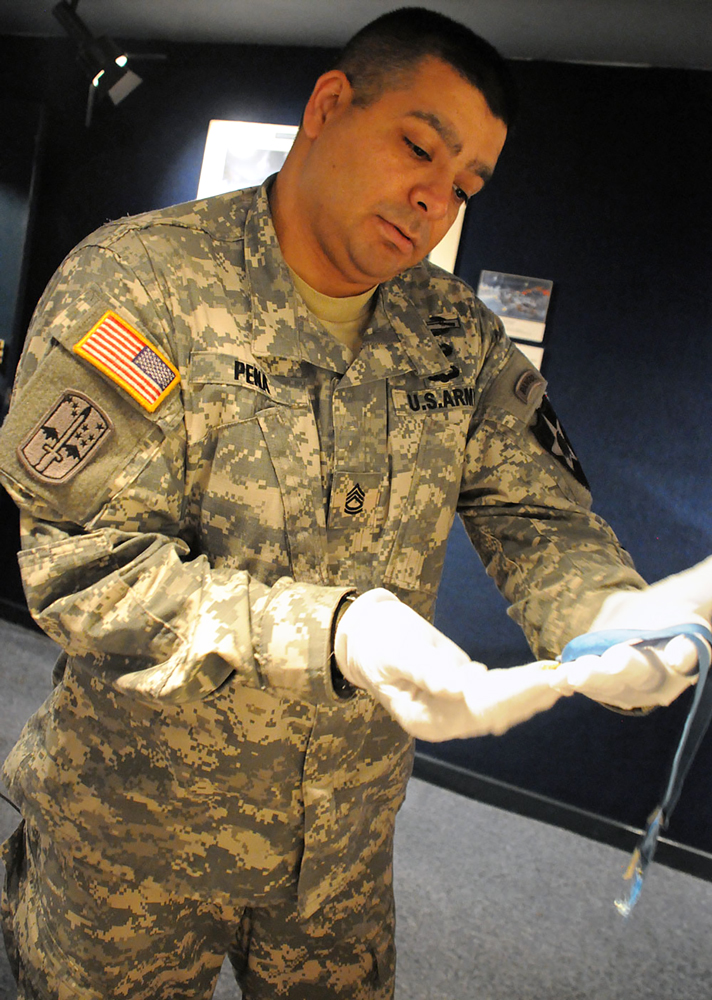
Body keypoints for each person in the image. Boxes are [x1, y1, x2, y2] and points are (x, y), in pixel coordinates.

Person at [0, 6, 710, 999]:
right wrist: (335, 629)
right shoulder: (140, 285)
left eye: (463, 186)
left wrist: (602, 613)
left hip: (339, 842)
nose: (434, 201)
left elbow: (537, 516)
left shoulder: (453, 335)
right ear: (329, 106)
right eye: (418, 148)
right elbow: (82, 572)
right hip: (136, 833)